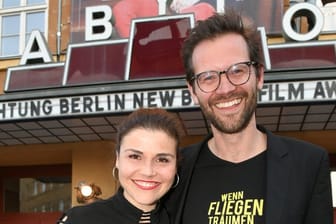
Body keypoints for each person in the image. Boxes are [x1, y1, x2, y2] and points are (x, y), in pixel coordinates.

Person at [165, 10, 333, 224]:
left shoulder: (308, 163)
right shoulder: (174, 170)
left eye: (237, 70)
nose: (225, 89)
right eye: (208, 77)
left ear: (259, 76)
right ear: (193, 91)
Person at [57, 108, 183, 224]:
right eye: (135, 156)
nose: (148, 171)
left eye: (162, 159)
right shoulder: (79, 220)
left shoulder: (188, 218)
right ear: (118, 159)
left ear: (176, 164)